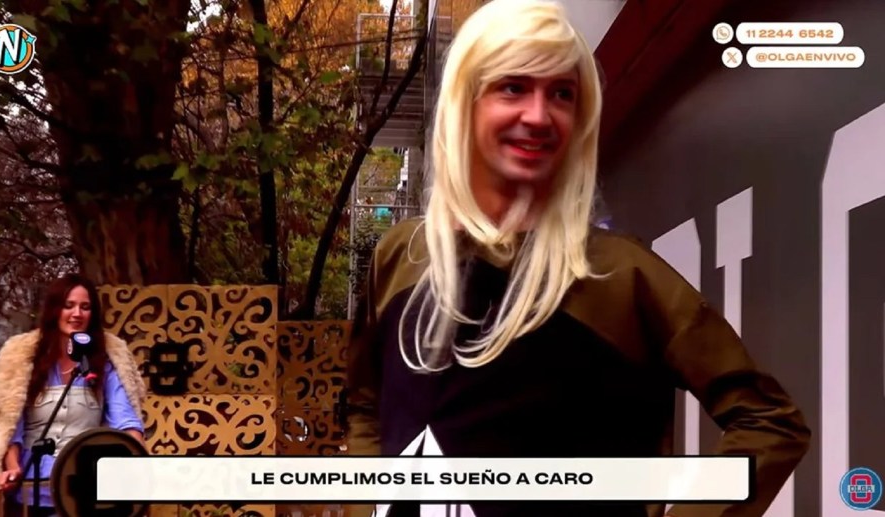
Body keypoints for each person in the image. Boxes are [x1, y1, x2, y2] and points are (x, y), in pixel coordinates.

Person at [344, 1, 810, 516]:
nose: (539, 116)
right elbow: (367, 405)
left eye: (562, 94)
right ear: (465, 102)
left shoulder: (621, 277)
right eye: (513, 87)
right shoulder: (400, 258)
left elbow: (770, 423)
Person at [0, 273, 147, 517]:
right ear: (54, 310)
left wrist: (138, 459)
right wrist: (13, 468)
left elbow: (125, 420)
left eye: (85, 307)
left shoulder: (105, 361)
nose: (77, 314)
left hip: (83, 492)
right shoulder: (24, 358)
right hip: (31, 492)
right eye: (68, 305)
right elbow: (10, 425)